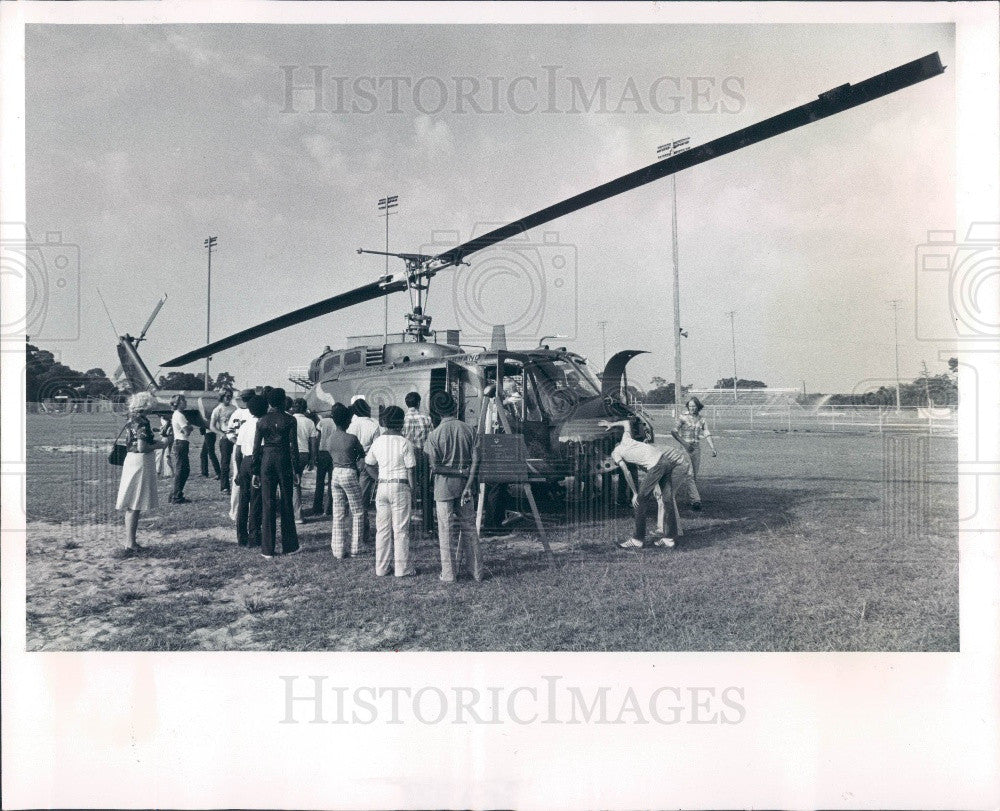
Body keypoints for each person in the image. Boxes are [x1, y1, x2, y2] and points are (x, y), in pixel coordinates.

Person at [603, 417, 691, 549]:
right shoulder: (626, 439)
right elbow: (626, 423)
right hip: (666, 461)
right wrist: (611, 424)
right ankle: (670, 538)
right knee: (667, 500)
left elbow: (626, 472)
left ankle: (637, 539)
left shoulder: (616, 453)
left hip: (656, 465)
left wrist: (634, 493)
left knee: (640, 500)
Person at [426, 392, 483, 582]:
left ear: (436, 410)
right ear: (454, 406)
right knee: (469, 528)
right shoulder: (469, 429)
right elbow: (476, 461)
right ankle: (477, 572)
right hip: (465, 487)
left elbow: (435, 467)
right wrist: (468, 483)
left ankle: (449, 574)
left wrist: (455, 472)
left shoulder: (434, 435)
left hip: (443, 489)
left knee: (445, 530)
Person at [364, 405, 417, 577]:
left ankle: (381, 567)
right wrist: (413, 489)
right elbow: (410, 469)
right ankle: (402, 568)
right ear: (401, 422)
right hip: (400, 485)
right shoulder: (405, 442)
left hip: (382, 485)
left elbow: (368, 464)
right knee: (401, 529)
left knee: (382, 529)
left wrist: (378, 477)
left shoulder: (377, 442)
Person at [251, 388, 301, 558]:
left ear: (270, 402)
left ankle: (267, 549)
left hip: (266, 461)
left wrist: (255, 471)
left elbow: (256, 447)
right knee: (287, 502)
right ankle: (289, 546)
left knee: (268, 503)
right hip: (284, 459)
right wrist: (297, 469)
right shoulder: (290, 419)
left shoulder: (262, 421)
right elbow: (294, 446)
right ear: (282, 401)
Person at [115, 391, 167, 551]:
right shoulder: (142, 422)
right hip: (140, 461)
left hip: (131, 460)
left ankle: (130, 541)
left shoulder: (131, 419)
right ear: (146, 405)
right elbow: (142, 447)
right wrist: (161, 445)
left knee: (132, 502)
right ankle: (130, 543)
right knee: (135, 502)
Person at [327, 403, 366, 558]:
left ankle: (338, 550)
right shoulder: (352, 438)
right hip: (349, 472)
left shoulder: (330, 438)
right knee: (357, 511)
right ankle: (356, 548)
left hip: (335, 473)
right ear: (347, 421)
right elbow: (361, 454)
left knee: (338, 513)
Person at [670, 396, 718, 510]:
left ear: (698, 407)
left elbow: (706, 433)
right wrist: (684, 444)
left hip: (696, 449)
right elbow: (673, 431)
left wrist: (713, 448)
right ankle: (696, 501)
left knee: (693, 475)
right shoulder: (682, 417)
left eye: (694, 406)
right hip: (684, 448)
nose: (692, 408)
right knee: (689, 474)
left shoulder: (702, 419)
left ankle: (685, 498)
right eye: (690, 406)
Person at [234, 394, 267, 546]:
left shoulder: (245, 425)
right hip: (257, 461)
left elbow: (238, 450)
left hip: (244, 462)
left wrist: (239, 470)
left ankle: (241, 536)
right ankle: (254, 535)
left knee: (243, 500)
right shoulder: (264, 424)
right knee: (256, 500)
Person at [348, 397, 381, 540]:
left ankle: (353, 529)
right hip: (368, 461)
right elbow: (377, 447)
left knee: (353, 498)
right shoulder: (374, 425)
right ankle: (364, 531)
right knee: (363, 499)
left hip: (353, 461)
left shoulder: (351, 425)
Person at [403, 391, 434, 532]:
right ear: (418, 402)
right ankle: (428, 523)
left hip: (408, 455)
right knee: (426, 488)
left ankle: (408, 519)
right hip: (423, 454)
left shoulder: (402, 420)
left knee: (408, 487)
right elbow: (432, 438)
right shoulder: (426, 418)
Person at [291, 398, 318, 522]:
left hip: (291, 454)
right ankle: (296, 512)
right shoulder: (310, 422)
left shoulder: (289, 420)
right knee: (297, 482)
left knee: (294, 484)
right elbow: (313, 443)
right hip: (304, 454)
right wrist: (312, 459)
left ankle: (297, 515)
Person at [210, 390, 237, 493]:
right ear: (221, 397)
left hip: (235, 436)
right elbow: (212, 426)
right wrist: (222, 434)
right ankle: (225, 487)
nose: (228, 398)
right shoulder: (217, 410)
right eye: (227, 396)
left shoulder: (234, 408)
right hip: (225, 438)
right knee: (225, 463)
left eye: (230, 396)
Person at [169, 394, 193, 503]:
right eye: (184, 400)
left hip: (179, 443)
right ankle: (176, 496)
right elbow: (187, 431)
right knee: (182, 470)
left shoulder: (176, 414)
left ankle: (175, 494)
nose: (186, 402)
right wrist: (189, 427)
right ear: (179, 403)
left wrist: (187, 427)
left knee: (183, 470)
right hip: (181, 443)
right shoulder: (180, 415)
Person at [312, 407, 336, 516]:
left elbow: (317, 438)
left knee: (319, 481)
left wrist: (315, 454)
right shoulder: (336, 422)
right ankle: (329, 508)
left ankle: (317, 507)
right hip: (333, 453)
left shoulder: (321, 423)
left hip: (322, 453)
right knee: (332, 482)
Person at [199, 397, 222, 481]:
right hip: (208, 434)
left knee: (211, 454)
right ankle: (204, 472)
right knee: (203, 454)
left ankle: (218, 473)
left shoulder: (208, 416)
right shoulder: (209, 415)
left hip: (209, 435)